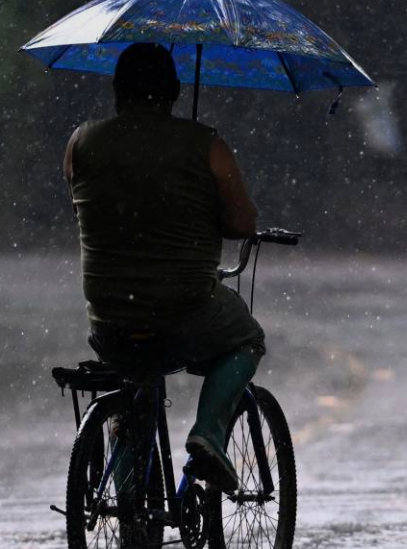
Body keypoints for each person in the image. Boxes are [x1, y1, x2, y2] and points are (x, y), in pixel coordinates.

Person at [62, 42, 264, 492]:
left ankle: (132, 512)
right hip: (185, 313)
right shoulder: (206, 146)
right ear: (173, 91)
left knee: (139, 378)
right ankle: (209, 435)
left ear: (117, 90)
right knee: (247, 339)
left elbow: (86, 210)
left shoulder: (80, 143)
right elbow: (242, 223)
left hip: (109, 319)